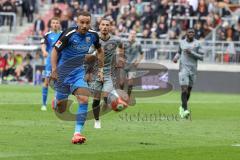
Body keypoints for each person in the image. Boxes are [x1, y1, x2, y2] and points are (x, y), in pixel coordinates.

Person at [50, 11, 104, 144]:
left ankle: (77, 133)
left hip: (79, 72)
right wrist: (54, 70)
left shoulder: (93, 35)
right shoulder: (69, 34)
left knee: (84, 99)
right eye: (82, 22)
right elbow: (55, 51)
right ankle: (56, 102)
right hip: (63, 73)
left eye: (87, 22)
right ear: (77, 22)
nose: (85, 25)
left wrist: (101, 69)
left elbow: (100, 51)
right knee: (61, 109)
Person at [89, 18, 124, 129]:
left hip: (108, 72)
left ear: (110, 27)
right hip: (95, 72)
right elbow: (87, 55)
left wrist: (120, 58)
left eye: (107, 25)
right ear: (99, 27)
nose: (104, 27)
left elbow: (121, 47)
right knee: (96, 100)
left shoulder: (116, 40)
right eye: (102, 25)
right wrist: (94, 53)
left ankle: (114, 96)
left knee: (106, 96)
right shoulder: (94, 39)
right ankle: (97, 120)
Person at [173, 28, 204, 119]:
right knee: (184, 89)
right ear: (186, 33)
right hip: (183, 68)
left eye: (193, 32)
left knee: (189, 91)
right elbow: (179, 52)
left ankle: (182, 107)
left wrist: (192, 52)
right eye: (189, 32)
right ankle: (186, 110)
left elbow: (202, 57)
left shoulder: (198, 44)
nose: (191, 33)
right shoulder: (182, 42)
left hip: (193, 69)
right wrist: (176, 58)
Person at [40, 17, 62, 111]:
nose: (55, 24)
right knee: (46, 82)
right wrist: (44, 51)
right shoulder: (47, 35)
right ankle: (44, 104)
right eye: (53, 23)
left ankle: (56, 102)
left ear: (59, 24)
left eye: (57, 22)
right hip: (50, 62)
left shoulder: (63, 34)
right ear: (51, 24)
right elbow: (43, 44)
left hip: (61, 61)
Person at [119, 30, 144, 102]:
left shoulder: (138, 44)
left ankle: (128, 97)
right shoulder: (124, 42)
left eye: (134, 34)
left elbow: (142, 54)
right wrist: (121, 58)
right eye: (131, 34)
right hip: (124, 64)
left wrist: (138, 61)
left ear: (135, 35)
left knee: (130, 83)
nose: (132, 35)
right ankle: (121, 95)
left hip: (132, 65)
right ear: (129, 34)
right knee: (121, 83)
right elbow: (120, 50)